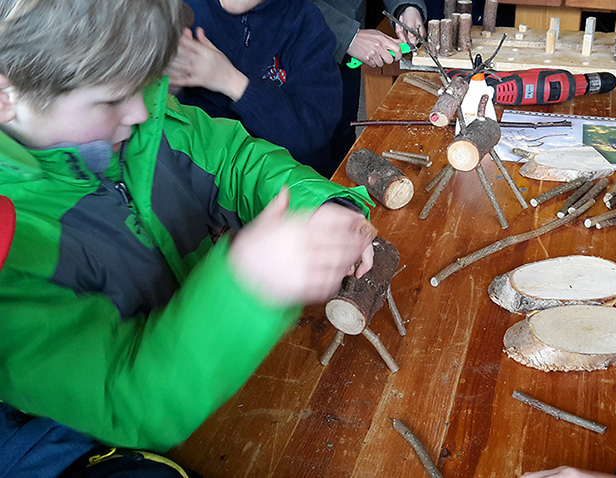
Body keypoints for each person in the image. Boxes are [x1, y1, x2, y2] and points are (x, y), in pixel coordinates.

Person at [0, 0, 375, 476]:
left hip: (234, 389)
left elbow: (236, 158)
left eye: (146, 83)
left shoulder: (146, 125)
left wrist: (320, 203)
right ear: (6, 96)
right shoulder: (12, 249)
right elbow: (126, 398)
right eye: (112, 98)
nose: (140, 110)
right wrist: (247, 286)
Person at [166, 0, 344, 178]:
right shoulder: (178, 9)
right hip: (210, 176)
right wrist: (171, 88)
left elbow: (313, 131)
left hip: (288, 177)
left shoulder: (304, 21)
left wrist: (232, 82)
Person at [310, 0, 427, 165]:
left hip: (348, 49)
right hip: (291, 56)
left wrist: (407, 6)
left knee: (342, 149)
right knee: (305, 158)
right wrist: (346, 35)